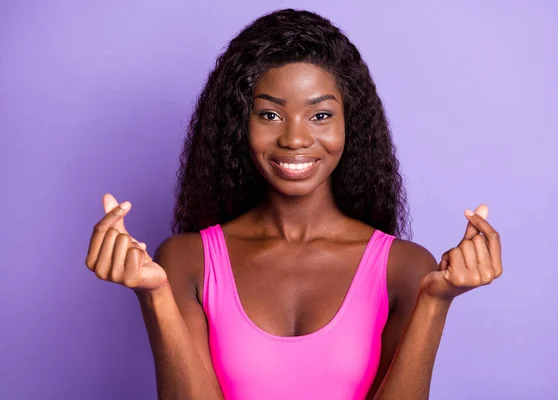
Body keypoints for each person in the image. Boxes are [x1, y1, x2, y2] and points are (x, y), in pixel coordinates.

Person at [84, 9, 503, 400]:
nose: (296, 139)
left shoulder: (406, 267)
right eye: (270, 115)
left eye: (320, 116)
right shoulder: (186, 261)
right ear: (238, 124)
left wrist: (437, 301)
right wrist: (153, 295)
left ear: (349, 125)